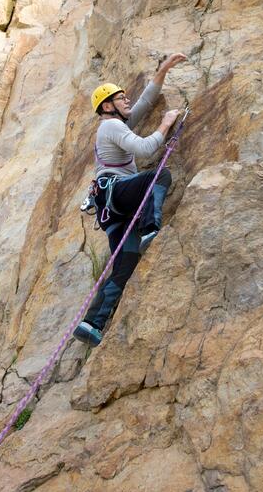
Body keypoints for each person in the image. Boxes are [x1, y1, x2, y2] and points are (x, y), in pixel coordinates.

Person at [73, 52, 188, 347]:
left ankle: (91, 324)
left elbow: (146, 100)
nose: (127, 101)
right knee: (158, 176)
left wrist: (163, 70)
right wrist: (166, 123)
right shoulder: (111, 126)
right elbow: (147, 150)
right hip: (116, 193)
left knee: (125, 264)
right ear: (107, 106)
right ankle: (151, 227)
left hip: (112, 212)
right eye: (120, 98)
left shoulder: (117, 124)